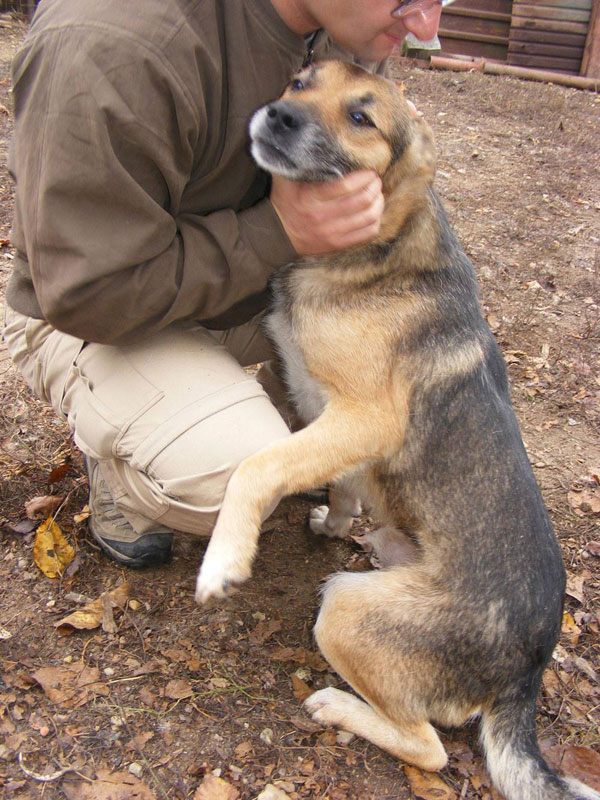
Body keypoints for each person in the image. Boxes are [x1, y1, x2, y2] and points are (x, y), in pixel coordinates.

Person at [3, 0, 445, 567]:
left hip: (239, 282)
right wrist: (279, 231)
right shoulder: (114, 41)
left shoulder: (345, 27)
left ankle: (238, 405)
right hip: (87, 308)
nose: (425, 28)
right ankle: (126, 465)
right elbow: (87, 293)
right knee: (238, 477)